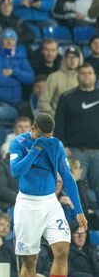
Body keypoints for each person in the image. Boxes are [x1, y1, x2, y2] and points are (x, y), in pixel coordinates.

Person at [9, 112, 88, 277]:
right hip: (27, 205)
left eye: (49, 135)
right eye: (42, 134)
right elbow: (16, 171)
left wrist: (79, 211)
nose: (46, 139)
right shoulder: (18, 143)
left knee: (62, 250)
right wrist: (35, 150)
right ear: (33, 128)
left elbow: (68, 177)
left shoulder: (56, 145)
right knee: (30, 260)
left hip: (50, 203)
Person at [54, 63, 99, 201]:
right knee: (78, 189)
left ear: (95, 76)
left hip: (98, 151)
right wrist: (63, 145)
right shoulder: (67, 97)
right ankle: (82, 219)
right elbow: (59, 123)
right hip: (75, 151)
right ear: (77, 76)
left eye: (89, 73)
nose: (86, 76)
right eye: (83, 73)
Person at [39, 45, 82, 117]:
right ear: (64, 59)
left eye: (75, 57)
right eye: (69, 57)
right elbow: (43, 102)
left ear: (80, 59)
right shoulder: (53, 77)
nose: (72, 60)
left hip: (80, 119)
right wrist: (56, 115)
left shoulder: (85, 76)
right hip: (59, 120)